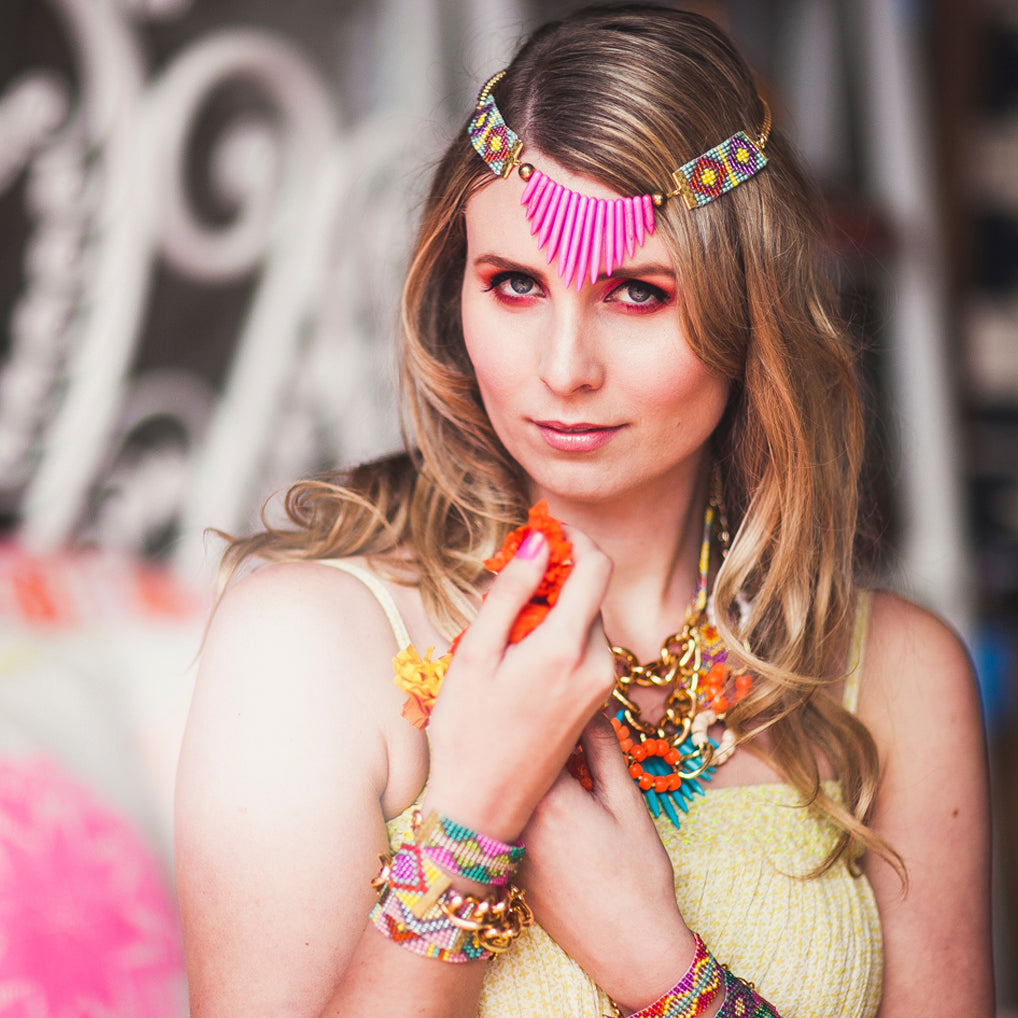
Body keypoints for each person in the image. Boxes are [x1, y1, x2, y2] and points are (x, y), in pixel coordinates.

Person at [174, 5, 993, 1016]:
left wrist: (658, 966)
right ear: (452, 290)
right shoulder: (308, 643)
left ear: (754, 311)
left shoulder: (895, 676)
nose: (563, 369)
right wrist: (470, 820)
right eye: (514, 283)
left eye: (638, 293)